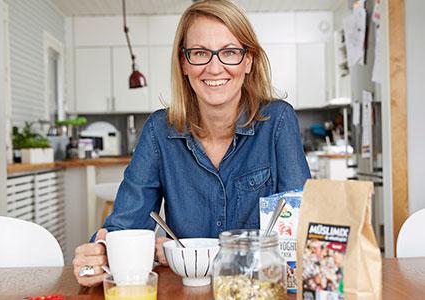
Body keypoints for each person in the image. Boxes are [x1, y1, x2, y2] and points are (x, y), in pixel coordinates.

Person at [73, 0, 310, 287]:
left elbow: (300, 233)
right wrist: (99, 255)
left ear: (248, 61)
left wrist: (183, 253)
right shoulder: (159, 132)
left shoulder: (278, 121)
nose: (214, 67)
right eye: (200, 53)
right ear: (183, 63)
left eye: (230, 52)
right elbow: (125, 228)